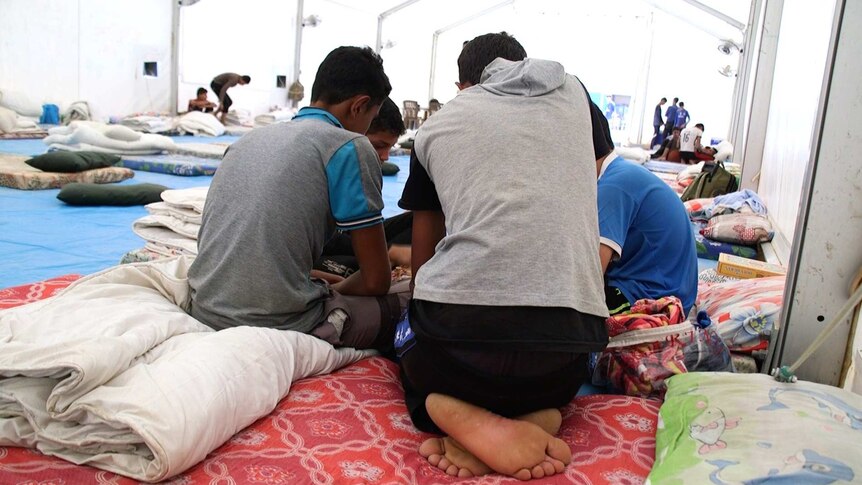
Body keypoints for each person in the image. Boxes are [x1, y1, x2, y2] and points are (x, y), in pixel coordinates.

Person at [397, 32, 610, 480]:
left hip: (454, 363)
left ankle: (448, 409)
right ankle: (540, 415)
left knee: (403, 337)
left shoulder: (438, 125)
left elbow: (425, 242)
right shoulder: (575, 94)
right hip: (561, 362)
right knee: (581, 356)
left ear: (462, 87)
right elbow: (587, 184)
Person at [189, 46, 408, 353]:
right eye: (372, 117)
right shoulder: (349, 146)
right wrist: (336, 288)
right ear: (359, 106)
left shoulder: (248, 140)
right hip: (278, 323)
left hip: (205, 308)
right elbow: (375, 282)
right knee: (410, 302)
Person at [315, 97, 412, 277]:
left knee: (416, 222)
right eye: (379, 146)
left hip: (349, 237)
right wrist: (389, 252)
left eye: (390, 148)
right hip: (324, 250)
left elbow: (363, 227)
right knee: (362, 269)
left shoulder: (361, 167)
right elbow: (327, 242)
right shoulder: (328, 157)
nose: (385, 157)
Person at [597, 148, 698, 315]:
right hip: (677, 289)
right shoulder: (622, 172)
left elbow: (590, 276)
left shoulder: (612, 186)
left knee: (559, 312)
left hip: (653, 298)